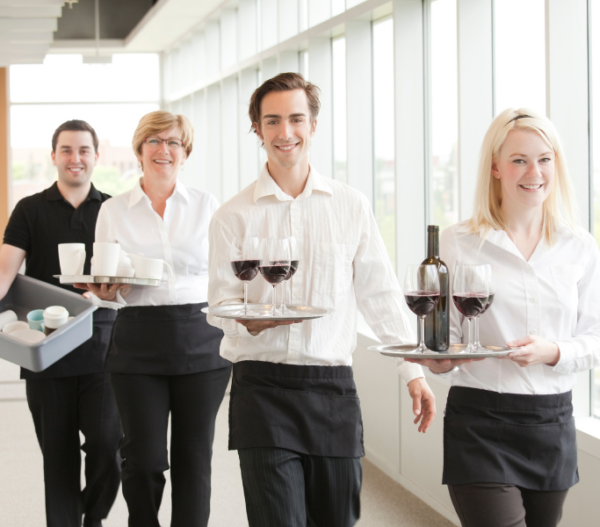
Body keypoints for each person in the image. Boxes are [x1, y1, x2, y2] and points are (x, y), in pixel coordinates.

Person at [207, 72, 436, 527]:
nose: (284, 132)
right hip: (260, 386)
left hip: (331, 388)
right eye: (272, 121)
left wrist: (413, 372)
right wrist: (245, 322)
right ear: (257, 130)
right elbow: (221, 303)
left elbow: (380, 293)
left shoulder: (350, 205)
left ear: (314, 125)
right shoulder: (232, 216)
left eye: (296, 119)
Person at [407, 108, 600, 527]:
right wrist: (441, 360)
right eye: (519, 160)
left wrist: (554, 351)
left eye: (544, 159)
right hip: (480, 422)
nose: (534, 171)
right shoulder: (460, 243)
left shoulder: (579, 246)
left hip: (552, 423)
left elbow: (595, 337)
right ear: (495, 166)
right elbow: (447, 337)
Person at [79, 110, 231, 527]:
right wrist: (105, 293)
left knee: (193, 461)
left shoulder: (207, 205)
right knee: (143, 459)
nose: (164, 150)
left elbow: (224, 274)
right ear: (140, 149)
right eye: (155, 141)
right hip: (137, 343)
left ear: (185, 153)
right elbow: (106, 280)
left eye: (174, 142)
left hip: (202, 341)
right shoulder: (113, 210)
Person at [0, 120, 122, 527]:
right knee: (59, 458)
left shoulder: (114, 210)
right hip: (46, 351)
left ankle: (92, 516)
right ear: (53, 156)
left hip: (104, 348)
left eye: (84, 150)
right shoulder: (29, 210)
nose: (75, 158)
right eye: (67, 150)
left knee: (108, 446)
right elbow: (5, 272)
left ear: (95, 157)